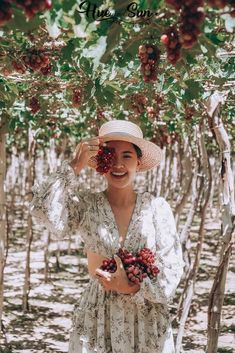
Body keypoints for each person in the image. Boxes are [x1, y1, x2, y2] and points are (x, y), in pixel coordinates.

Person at [29, 119, 185, 353]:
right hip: (98, 316)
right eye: (109, 155)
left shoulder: (156, 208)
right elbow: (42, 211)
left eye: (127, 156)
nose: (118, 164)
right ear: (101, 163)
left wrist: (131, 287)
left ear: (139, 162)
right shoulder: (86, 206)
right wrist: (73, 166)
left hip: (146, 317)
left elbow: (173, 268)